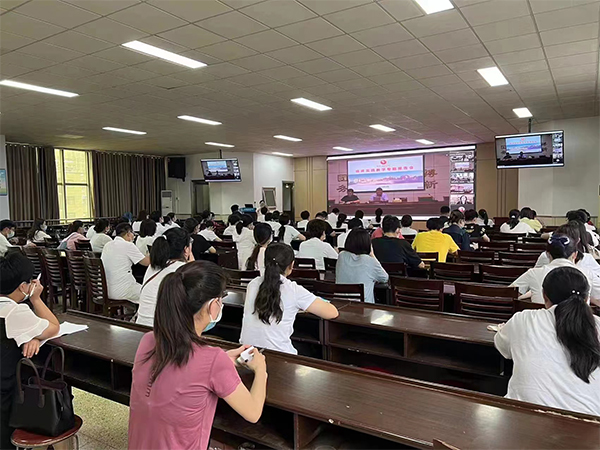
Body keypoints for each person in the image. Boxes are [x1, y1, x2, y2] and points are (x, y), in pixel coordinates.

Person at [129, 261, 267, 449]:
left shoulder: (148, 340)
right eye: (221, 298)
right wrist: (260, 369)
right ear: (213, 305)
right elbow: (253, 412)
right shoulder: (212, 360)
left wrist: (223, 361)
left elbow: (189, 368)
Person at [495, 267, 600, 416]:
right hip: (590, 423)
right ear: (586, 298)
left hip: (524, 420)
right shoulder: (597, 325)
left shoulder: (524, 319)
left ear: (544, 296)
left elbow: (502, 347)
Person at [0, 252, 60, 450]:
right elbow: (53, 326)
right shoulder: (15, 311)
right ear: (23, 287)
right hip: (4, 393)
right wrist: (36, 299)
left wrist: (33, 336)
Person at [240, 243, 339, 354]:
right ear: (291, 265)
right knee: (313, 351)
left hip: (246, 352)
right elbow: (332, 313)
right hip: (279, 354)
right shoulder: (293, 290)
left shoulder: (253, 284)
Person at [510, 234, 600, 305]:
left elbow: (509, 293)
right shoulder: (587, 273)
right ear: (575, 255)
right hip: (578, 322)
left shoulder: (533, 273)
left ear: (547, 254)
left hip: (540, 321)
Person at [136, 228, 194, 327]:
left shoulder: (153, 266)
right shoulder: (183, 269)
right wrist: (192, 265)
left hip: (141, 325)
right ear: (186, 249)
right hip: (163, 330)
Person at [336, 228, 389, 304]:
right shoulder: (369, 260)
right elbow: (385, 278)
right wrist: (373, 255)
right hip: (363, 306)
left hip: (340, 303)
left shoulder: (341, 256)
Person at [101, 223, 150, 304]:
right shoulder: (128, 245)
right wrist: (150, 252)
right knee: (151, 293)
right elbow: (147, 262)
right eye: (133, 233)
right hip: (121, 290)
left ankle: (132, 311)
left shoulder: (108, 245)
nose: (134, 236)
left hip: (105, 289)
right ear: (128, 233)